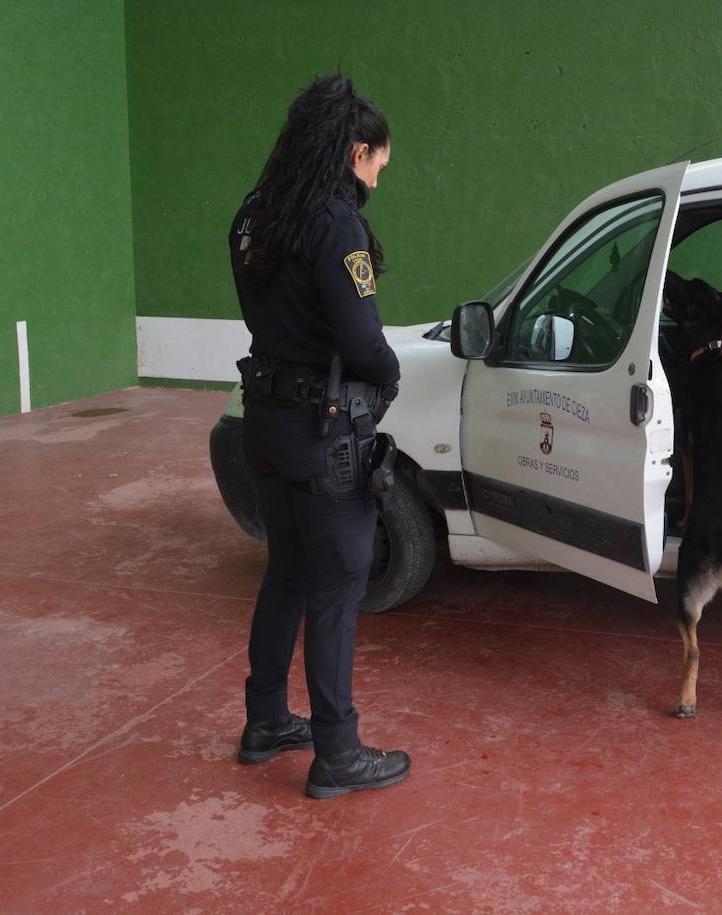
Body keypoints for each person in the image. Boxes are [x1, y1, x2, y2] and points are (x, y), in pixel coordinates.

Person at [228, 73, 410, 797]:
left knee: (287, 572)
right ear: (355, 150)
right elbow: (363, 344)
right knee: (337, 590)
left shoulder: (254, 216)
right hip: (326, 433)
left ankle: (266, 719)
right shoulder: (336, 224)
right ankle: (338, 752)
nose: (375, 181)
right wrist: (391, 374)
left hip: (266, 422)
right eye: (376, 166)